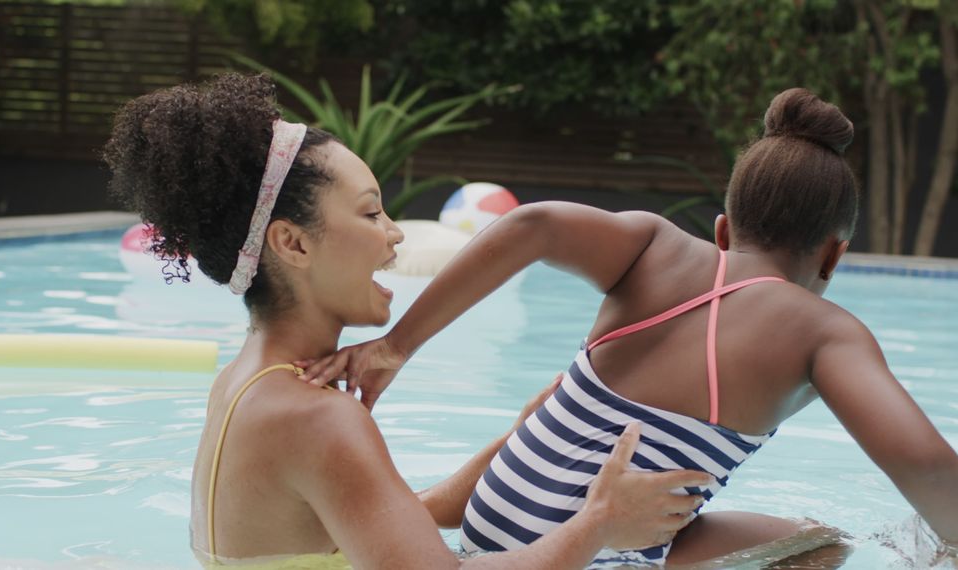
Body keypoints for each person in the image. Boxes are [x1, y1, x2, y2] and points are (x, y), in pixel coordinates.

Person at [298, 88, 958, 565]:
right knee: (823, 552)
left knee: (790, 533)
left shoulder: (651, 245)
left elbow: (531, 225)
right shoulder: (824, 334)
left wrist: (394, 345)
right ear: (835, 255)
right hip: (585, 553)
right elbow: (927, 464)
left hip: (488, 526)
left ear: (724, 229)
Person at [103, 73, 714, 569]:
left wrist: (519, 440)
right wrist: (601, 523)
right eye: (371, 214)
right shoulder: (317, 417)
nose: (394, 235)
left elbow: (385, 525)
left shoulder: (244, 385)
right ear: (291, 244)